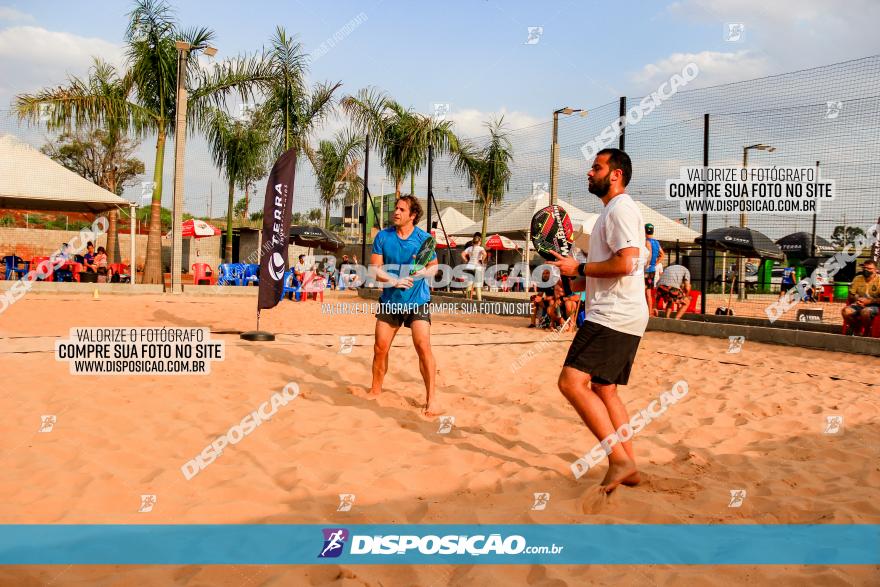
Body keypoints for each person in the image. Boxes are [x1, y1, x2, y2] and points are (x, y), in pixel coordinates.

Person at [549, 148, 649, 493]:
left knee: (570, 382)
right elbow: (598, 275)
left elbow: (627, 264)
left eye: (597, 167)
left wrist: (577, 267)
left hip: (614, 315)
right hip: (623, 312)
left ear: (616, 174)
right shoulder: (611, 212)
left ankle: (618, 459)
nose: (589, 173)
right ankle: (630, 466)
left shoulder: (621, 209)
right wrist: (570, 277)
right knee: (604, 388)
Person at [369, 195, 442, 416]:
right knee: (380, 347)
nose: (396, 212)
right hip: (391, 300)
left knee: (422, 346)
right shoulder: (383, 236)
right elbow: (374, 269)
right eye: (395, 208)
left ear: (413, 215)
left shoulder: (423, 239)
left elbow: (434, 267)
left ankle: (431, 399)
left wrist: (423, 272)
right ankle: (375, 390)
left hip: (417, 301)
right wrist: (393, 281)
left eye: (401, 209)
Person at [841, 260, 880, 335]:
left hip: (875, 305)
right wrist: (857, 299)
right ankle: (857, 329)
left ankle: (867, 332)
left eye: (869, 268)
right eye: (864, 268)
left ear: (876, 270)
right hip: (859, 303)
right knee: (845, 311)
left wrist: (869, 301)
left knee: (865, 312)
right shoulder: (857, 278)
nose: (866, 270)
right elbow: (851, 295)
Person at [643, 224, 664, 316]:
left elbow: (649, 254)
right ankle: (649, 312)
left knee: (643, 291)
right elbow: (662, 255)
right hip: (652, 270)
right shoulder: (656, 242)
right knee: (648, 292)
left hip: (646, 270)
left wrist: (646, 266)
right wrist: (654, 264)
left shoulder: (646, 242)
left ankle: (646, 312)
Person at [462, 232, 487, 301]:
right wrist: (482, 260)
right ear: (479, 242)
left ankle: (468, 299)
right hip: (477, 267)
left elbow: (462, 254)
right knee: (478, 286)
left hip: (470, 266)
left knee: (469, 284)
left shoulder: (469, 248)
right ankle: (479, 300)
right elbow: (485, 254)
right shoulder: (480, 248)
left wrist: (466, 260)